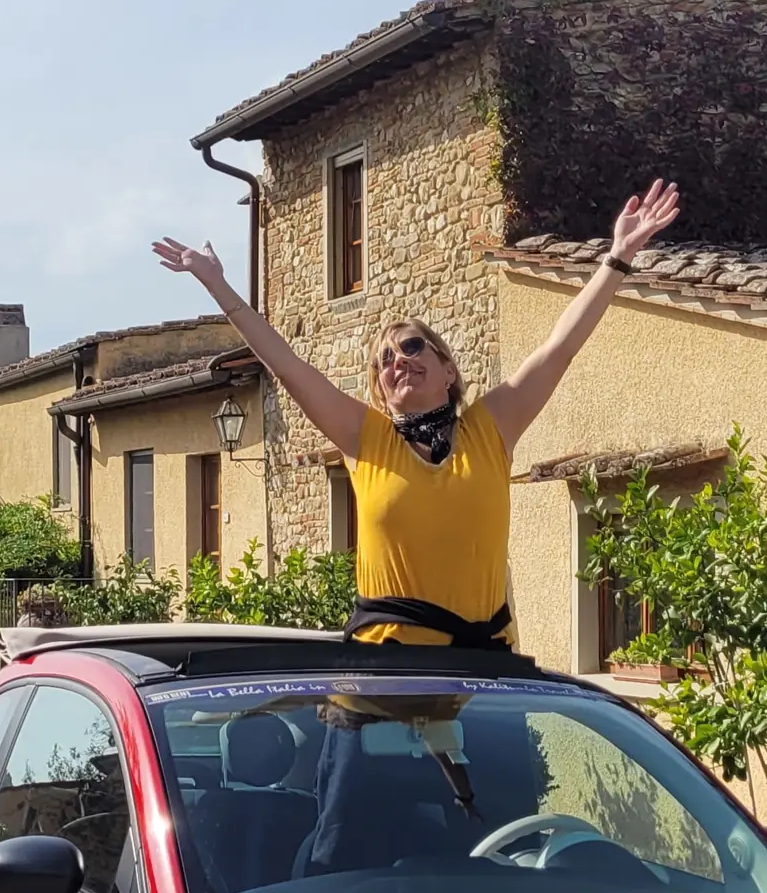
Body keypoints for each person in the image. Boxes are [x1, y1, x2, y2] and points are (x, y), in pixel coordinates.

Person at [152, 179, 681, 647]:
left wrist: (618, 258)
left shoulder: (490, 429)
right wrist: (218, 285)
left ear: (448, 369)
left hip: (483, 672)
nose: (397, 361)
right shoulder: (365, 439)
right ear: (380, 393)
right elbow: (287, 365)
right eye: (384, 361)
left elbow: (559, 348)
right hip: (389, 675)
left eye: (410, 347)